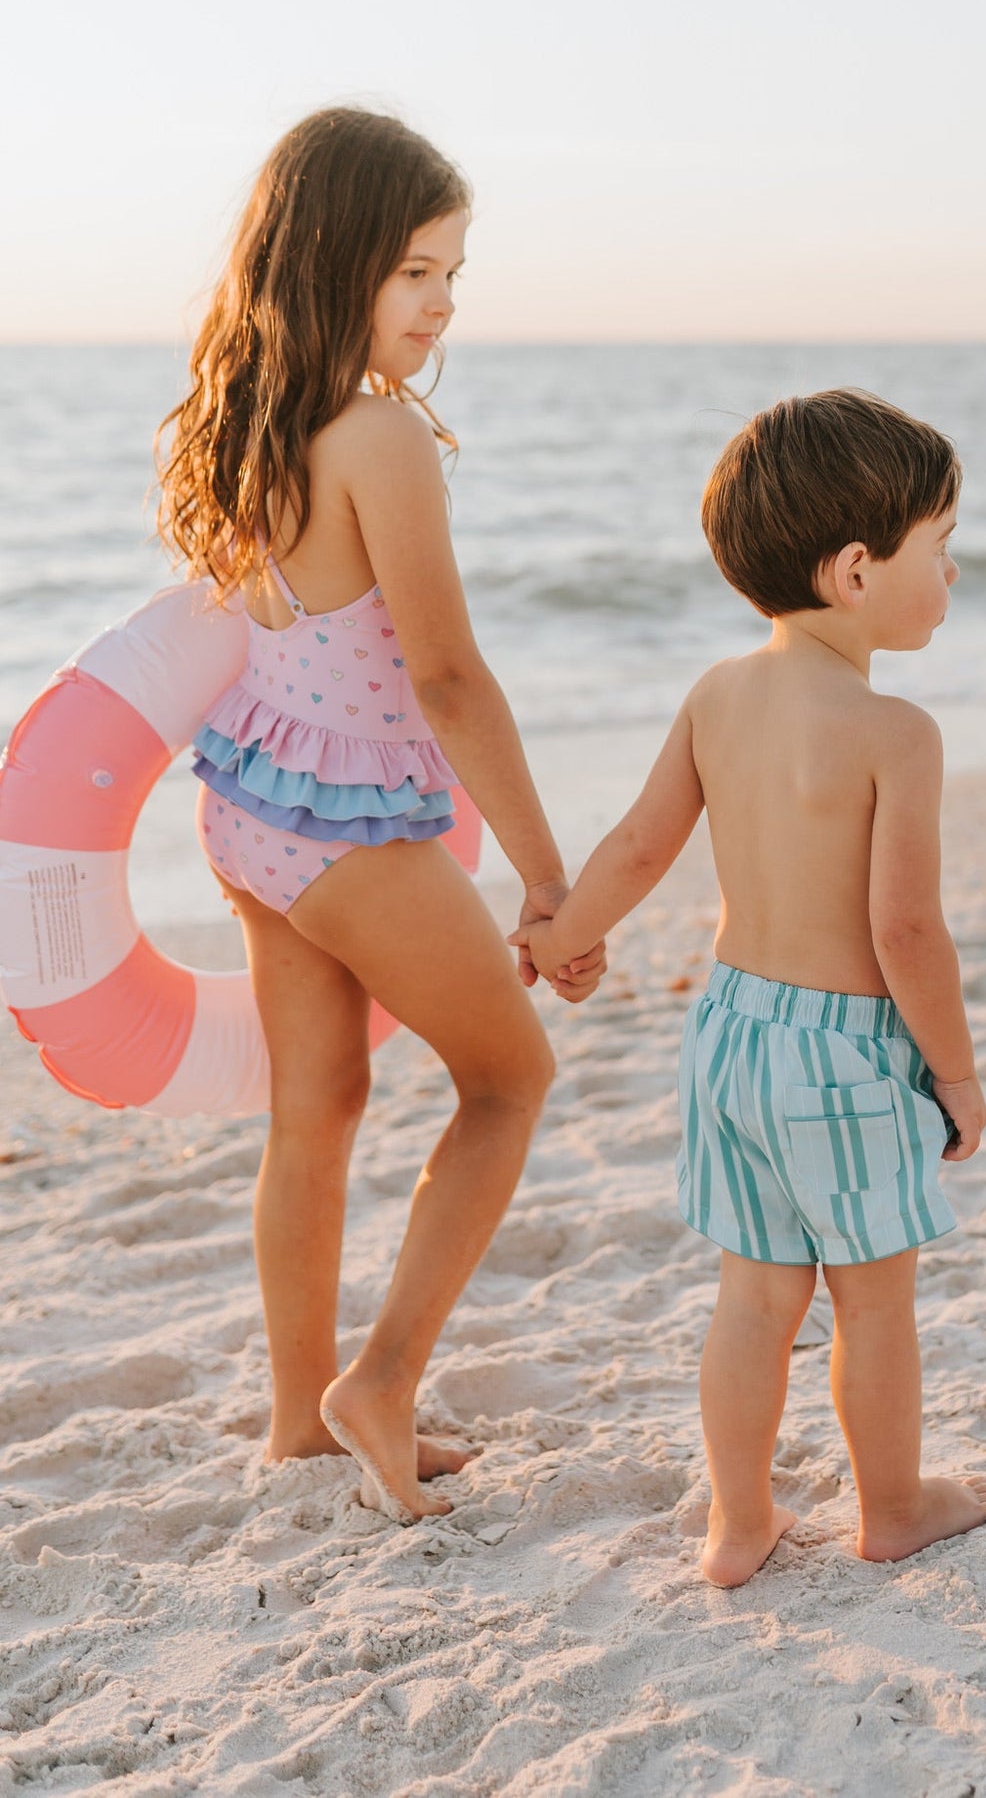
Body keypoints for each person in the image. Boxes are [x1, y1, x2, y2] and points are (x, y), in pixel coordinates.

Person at [155, 107, 602, 1522]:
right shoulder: (378, 438)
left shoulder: (248, 427)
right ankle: (380, 1383)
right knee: (509, 1080)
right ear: (338, 259)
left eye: (453, 274)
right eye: (417, 270)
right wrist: (547, 879)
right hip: (351, 830)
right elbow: (450, 677)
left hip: (247, 814)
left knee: (320, 1108)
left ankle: (299, 1419)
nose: (443, 303)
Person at [514, 389, 986, 1585]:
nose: (953, 573)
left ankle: (739, 1519)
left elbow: (636, 846)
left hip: (733, 1033)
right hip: (841, 1053)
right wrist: (956, 1069)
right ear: (853, 572)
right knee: (874, 1297)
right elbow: (906, 930)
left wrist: (560, 936)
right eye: (939, 549)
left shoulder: (716, 693)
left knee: (756, 1291)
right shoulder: (896, 732)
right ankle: (892, 1504)